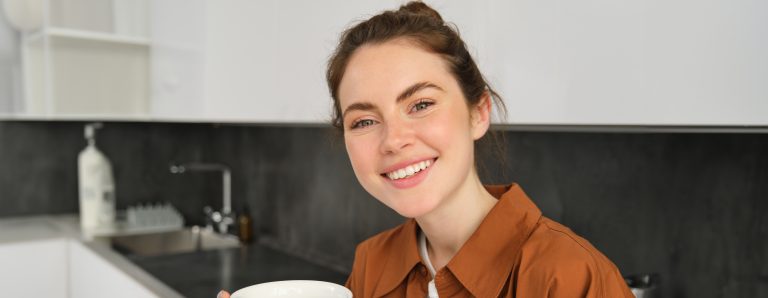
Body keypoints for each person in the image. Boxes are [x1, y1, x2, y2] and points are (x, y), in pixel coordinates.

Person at [219, 2, 634, 297]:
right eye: (364, 120)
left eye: (420, 105)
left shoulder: (570, 278)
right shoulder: (373, 264)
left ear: (478, 112)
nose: (393, 139)